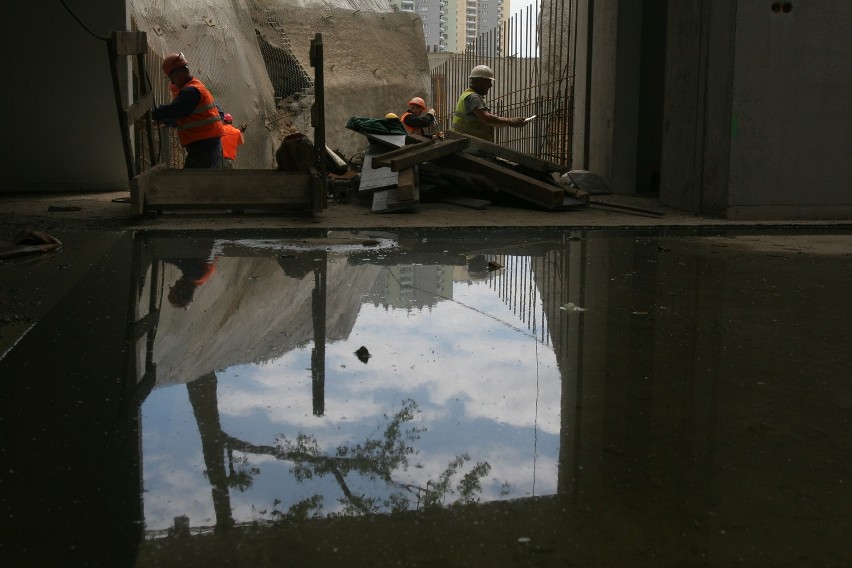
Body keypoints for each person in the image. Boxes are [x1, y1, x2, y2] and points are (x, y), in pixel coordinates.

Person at [152, 52, 224, 168]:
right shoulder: (195, 87)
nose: (172, 83)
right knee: (199, 181)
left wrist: (151, 114)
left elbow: (174, 111)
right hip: (207, 144)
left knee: (192, 182)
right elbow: (182, 117)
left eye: (171, 78)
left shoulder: (190, 91)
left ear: (179, 72)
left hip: (204, 145)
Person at [451, 65, 528, 142]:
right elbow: (487, 119)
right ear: (479, 81)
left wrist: (508, 122)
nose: (490, 85)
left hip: (465, 143)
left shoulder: (467, 94)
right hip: (470, 146)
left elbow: (490, 121)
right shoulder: (473, 97)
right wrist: (510, 121)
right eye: (488, 82)